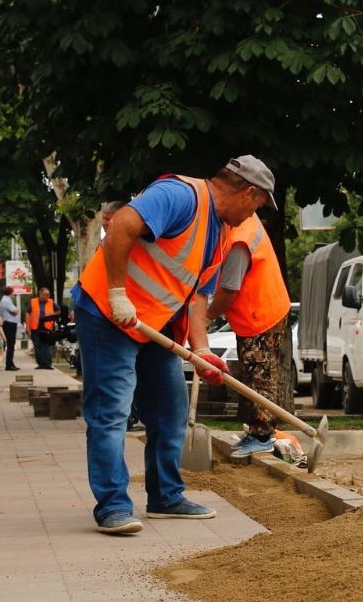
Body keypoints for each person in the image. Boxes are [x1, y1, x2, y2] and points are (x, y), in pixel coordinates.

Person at [72, 155, 276, 535]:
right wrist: (118, 294)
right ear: (248, 192)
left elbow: (197, 296)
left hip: (154, 325)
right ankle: (113, 505)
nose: (253, 216)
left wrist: (200, 350)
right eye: (257, 206)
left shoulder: (219, 233)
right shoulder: (180, 195)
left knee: (170, 410)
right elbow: (121, 227)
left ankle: (166, 496)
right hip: (107, 312)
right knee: (111, 410)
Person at [206, 213, 292, 459]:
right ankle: (258, 428)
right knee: (256, 374)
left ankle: (262, 435)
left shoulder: (239, 240)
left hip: (259, 314)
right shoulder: (246, 219)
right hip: (265, 309)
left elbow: (229, 289)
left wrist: (206, 316)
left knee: (260, 376)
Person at [103, 199, 143, 432]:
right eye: (104, 221)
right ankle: (126, 416)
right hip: (113, 323)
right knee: (117, 392)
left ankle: (132, 414)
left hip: (139, 324)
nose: (108, 225)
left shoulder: (134, 242)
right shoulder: (109, 245)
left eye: (110, 220)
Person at [27, 288, 59, 369]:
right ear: (40, 294)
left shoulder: (51, 302)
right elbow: (27, 313)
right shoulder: (33, 302)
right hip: (35, 327)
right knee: (37, 346)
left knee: (46, 346)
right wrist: (27, 327)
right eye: (45, 294)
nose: (47, 296)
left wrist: (51, 315)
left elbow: (58, 311)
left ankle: (48, 364)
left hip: (47, 327)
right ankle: (41, 364)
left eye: (48, 294)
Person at [0, 285, 21, 371]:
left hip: (8, 323)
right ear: (11, 293)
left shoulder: (4, 300)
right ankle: (9, 364)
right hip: (10, 324)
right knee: (11, 344)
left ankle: (10, 363)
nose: (14, 294)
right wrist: (16, 310)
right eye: (13, 292)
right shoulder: (6, 301)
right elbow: (15, 311)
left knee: (11, 344)